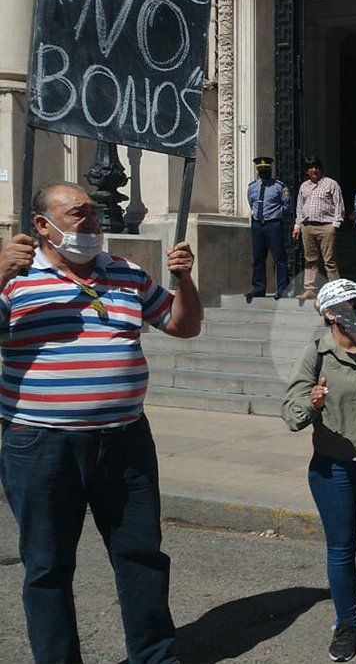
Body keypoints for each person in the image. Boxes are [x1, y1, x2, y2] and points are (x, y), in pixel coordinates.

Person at [0, 182, 203, 664]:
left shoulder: (125, 272)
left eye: (92, 213)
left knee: (141, 556)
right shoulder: (16, 277)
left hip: (126, 439)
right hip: (41, 443)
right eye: (76, 214)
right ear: (42, 226)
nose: (90, 222)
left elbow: (183, 324)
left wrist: (186, 281)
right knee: (47, 565)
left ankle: (154, 656)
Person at [281, 279, 356, 662]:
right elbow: (291, 413)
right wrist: (313, 403)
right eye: (352, 305)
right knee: (342, 548)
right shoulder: (317, 353)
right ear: (330, 313)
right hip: (335, 469)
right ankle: (346, 623)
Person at [294, 156, 344, 303]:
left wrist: (335, 225)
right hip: (307, 226)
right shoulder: (304, 186)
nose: (314, 170)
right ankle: (310, 289)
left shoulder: (330, 184)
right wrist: (298, 225)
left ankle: (335, 290)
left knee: (329, 260)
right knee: (310, 259)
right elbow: (299, 207)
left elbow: (338, 205)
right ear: (307, 171)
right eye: (310, 167)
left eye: (316, 167)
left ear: (320, 168)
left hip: (326, 226)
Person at [245, 156, 292, 302]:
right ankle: (258, 288)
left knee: (279, 258)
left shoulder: (279, 187)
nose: (264, 172)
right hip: (258, 225)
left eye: (266, 169)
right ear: (258, 170)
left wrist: (276, 215)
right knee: (258, 258)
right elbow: (251, 203)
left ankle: (282, 288)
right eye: (261, 170)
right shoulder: (252, 187)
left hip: (273, 225)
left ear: (270, 170)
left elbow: (287, 205)